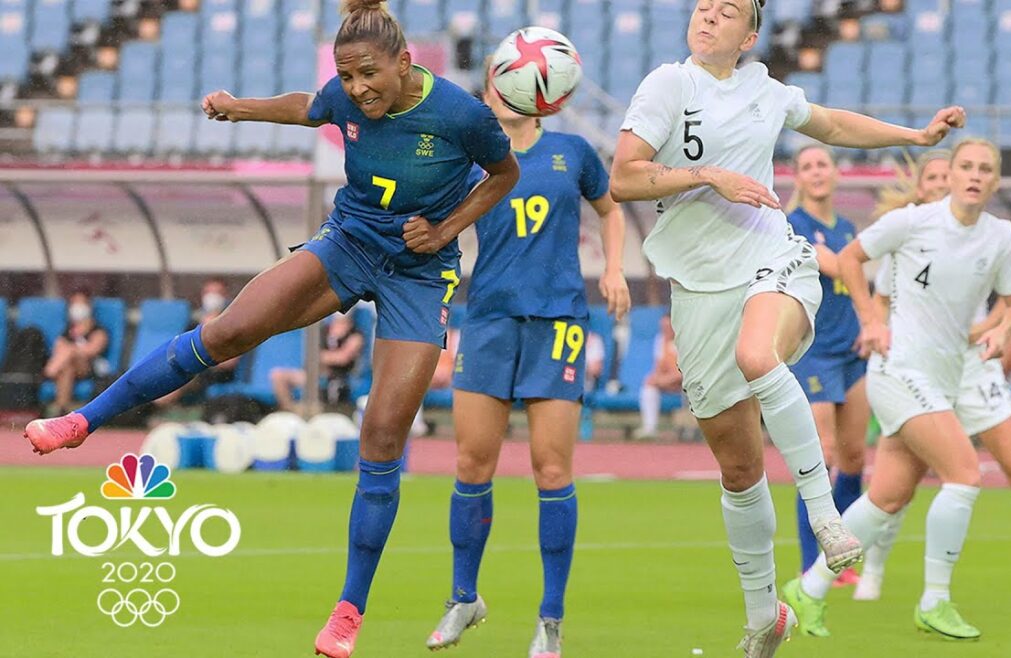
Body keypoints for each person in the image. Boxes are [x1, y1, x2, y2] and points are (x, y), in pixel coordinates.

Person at [25, 2, 520, 656]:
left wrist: (449, 228)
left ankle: (348, 608)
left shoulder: (462, 115)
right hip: (348, 240)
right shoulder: (344, 97)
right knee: (228, 332)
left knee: (381, 431)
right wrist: (239, 106)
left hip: (421, 273)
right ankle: (82, 421)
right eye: (347, 77)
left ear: (406, 63)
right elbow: (309, 107)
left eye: (369, 74)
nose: (358, 89)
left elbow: (505, 174)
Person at [609, 0, 964, 654]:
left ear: (748, 36)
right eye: (704, 5)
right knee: (739, 467)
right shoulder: (667, 84)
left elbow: (830, 123)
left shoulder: (766, 90)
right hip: (698, 289)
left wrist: (912, 138)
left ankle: (827, 520)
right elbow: (624, 177)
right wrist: (707, 175)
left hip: (773, 257)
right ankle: (763, 616)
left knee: (757, 355)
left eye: (728, 11)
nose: (710, 15)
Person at [783, 139, 1011, 641]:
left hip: (942, 379)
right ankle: (935, 600)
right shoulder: (915, 222)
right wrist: (871, 317)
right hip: (898, 372)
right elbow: (850, 260)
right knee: (964, 474)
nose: (974, 175)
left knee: (888, 498)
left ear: (996, 182)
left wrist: (1003, 331)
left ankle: (807, 589)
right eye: (966, 166)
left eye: (986, 169)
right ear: (951, 174)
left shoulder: (1000, 236)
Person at [426, 56, 629, 658]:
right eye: (499, 76)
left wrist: (614, 267)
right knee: (471, 462)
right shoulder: (471, 158)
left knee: (550, 470)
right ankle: (464, 597)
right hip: (488, 319)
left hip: (557, 321)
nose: (510, 86)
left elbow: (611, 208)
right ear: (490, 88)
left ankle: (551, 620)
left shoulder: (574, 151)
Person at [852, 157, 1011, 610]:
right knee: (898, 487)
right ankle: (870, 573)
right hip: (918, 368)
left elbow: (1008, 304)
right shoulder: (905, 235)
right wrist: (876, 327)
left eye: (946, 175)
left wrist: (993, 331)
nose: (941, 184)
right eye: (931, 178)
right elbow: (880, 301)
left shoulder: (988, 235)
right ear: (928, 186)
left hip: (974, 366)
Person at [784, 144, 868, 582]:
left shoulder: (848, 228)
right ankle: (812, 562)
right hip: (814, 352)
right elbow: (840, 269)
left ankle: (848, 554)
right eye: (808, 166)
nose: (817, 172)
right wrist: (848, 266)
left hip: (852, 352)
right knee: (822, 453)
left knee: (854, 455)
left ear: (836, 173)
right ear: (797, 177)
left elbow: (850, 270)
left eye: (824, 164)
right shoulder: (792, 225)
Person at [153, 278, 240, 411]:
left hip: (216, 373)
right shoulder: (193, 324)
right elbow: (179, 350)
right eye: (208, 293)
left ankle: (154, 407)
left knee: (185, 374)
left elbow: (229, 363)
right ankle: (153, 406)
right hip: (192, 367)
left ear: (226, 296)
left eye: (218, 293)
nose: (212, 297)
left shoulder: (230, 325)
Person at [269, 311, 365, 412]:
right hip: (313, 373)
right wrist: (325, 357)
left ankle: (316, 411)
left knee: (324, 387)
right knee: (277, 375)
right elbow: (311, 354)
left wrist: (321, 357)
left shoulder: (355, 335)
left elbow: (343, 358)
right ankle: (291, 410)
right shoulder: (323, 330)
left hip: (337, 377)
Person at [42, 289, 109, 416]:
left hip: (89, 369)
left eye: (81, 303)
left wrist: (73, 349)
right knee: (67, 368)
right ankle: (61, 409)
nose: (77, 306)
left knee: (70, 352)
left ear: (88, 305)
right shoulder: (68, 330)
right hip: (69, 367)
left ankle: (50, 371)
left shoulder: (98, 330)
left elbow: (92, 351)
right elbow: (57, 348)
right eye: (74, 303)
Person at [637, 314, 683, 439]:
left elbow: (683, 373)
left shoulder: (683, 341)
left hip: (684, 385)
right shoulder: (660, 341)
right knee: (648, 386)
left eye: (668, 327)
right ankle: (649, 428)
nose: (665, 331)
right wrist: (656, 378)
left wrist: (663, 380)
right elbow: (658, 366)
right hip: (668, 382)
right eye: (663, 327)